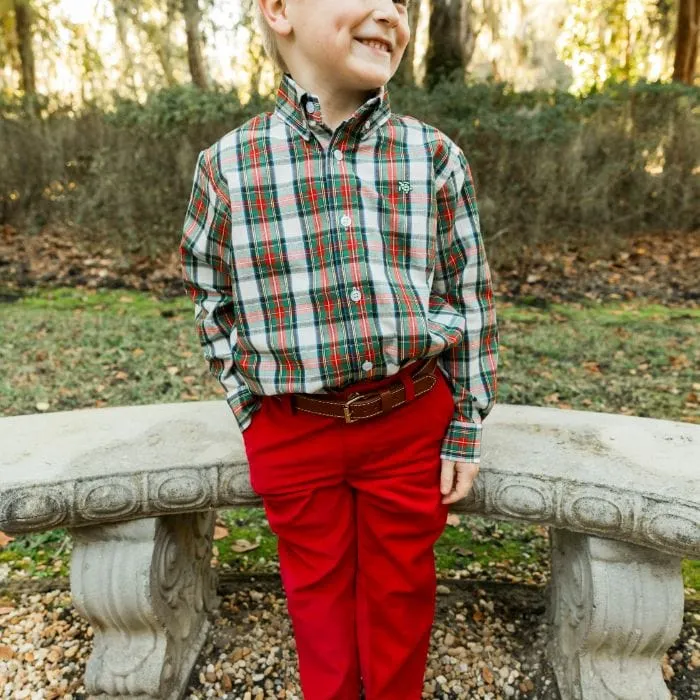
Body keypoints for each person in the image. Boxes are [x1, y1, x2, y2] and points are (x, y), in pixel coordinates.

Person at [179, 1, 498, 698]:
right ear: (280, 10)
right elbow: (210, 298)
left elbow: (466, 293)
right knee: (317, 607)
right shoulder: (227, 166)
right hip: (292, 429)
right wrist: (249, 408)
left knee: (399, 601)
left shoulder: (432, 156)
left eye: (403, 1)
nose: (391, 12)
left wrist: (466, 422)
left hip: (410, 420)